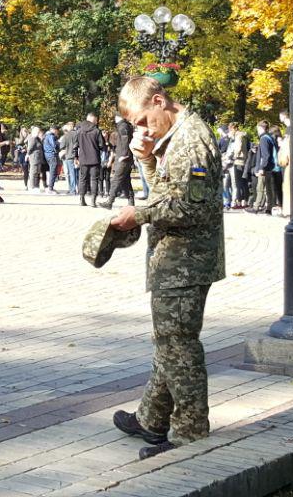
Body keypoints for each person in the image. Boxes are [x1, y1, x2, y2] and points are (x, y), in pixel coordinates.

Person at [108, 76, 225, 460]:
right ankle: (151, 419)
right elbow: (167, 192)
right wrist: (146, 159)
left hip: (185, 261)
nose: (143, 129)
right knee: (170, 341)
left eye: (143, 120)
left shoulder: (192, 141)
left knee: (179, 346)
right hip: (176, 260)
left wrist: (138, 214)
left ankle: (190, 433)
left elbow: (192, 208)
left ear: (159, 101)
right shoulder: (176, 137)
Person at [103, 114, 135, 208]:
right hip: (124, 157)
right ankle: (131, 202)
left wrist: (124, 155)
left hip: (123, 158)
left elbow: (125, 140)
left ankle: (110, 202)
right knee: (125, 181)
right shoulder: (124, 125)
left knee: (116, 179)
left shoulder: (123, 126)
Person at [75, 113, 106, 207]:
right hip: (94, 159)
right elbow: (101, 145)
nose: (96, 122)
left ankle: (82, 199)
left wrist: (75, 157)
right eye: (96, 120)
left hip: (83, 158)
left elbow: (75, 146)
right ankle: (93, 200)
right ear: (93, 120)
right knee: (94, 180)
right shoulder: (97, 131)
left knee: (82, 179)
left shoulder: (79, 131)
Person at [247, 121, 276, 214]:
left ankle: (256, 207)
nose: (257, 131)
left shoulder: (263, 139)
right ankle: (269, 207)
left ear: (261, 128)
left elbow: (265, 155)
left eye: (257, 129)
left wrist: (262, 167)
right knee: (269, 188)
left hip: (265, 167)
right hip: (270, 166)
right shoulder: (270, 137)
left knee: (260, 188)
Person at [226, 123, 249, 208]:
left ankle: (238, 201)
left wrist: (234, 156)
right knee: (242, 182)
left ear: (233, 129)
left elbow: (238, 148)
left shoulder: (238, 136)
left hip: (238, 161)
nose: (229, 132)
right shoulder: (241, 136)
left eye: (230, 130)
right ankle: (243, 200)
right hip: (242, 161)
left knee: (237, 182)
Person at [277, 110, 291, 218]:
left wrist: (281, 143)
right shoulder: (288, 129)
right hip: (288, 160)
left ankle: (288, 210)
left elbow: (287, 145)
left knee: (287, 185)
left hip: (288, 161)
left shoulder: (289, 129)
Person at [62, 121, 80, 194]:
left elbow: (62, 146)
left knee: (71, 173)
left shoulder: (66, 135)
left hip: (68, 156)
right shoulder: (77, 134)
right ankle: (78, 189)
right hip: (76, 156)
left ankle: (72, 190)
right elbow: (77, 145)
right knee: (77, 174)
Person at [26, 126, 45, 191]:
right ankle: (32, 186)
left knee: (37, 172)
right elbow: (29, 148)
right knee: (33, 172)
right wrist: (28, 155)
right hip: (34, 157)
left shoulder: (37, 138)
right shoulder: (33, 138)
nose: (39, 132)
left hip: (38, 157)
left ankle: (36, 186)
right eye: (38, 131)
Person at [43, 126, 60, 193]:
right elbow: (54, 145)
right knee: (53, 171)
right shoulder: (51, 136)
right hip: (52, 155)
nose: (57, 132)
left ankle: (50, 187)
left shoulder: (46, 136)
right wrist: (59, 142)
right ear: (54, 130)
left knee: (52, 171)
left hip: (48, 155)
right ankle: (50, 188)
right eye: (57, 130)